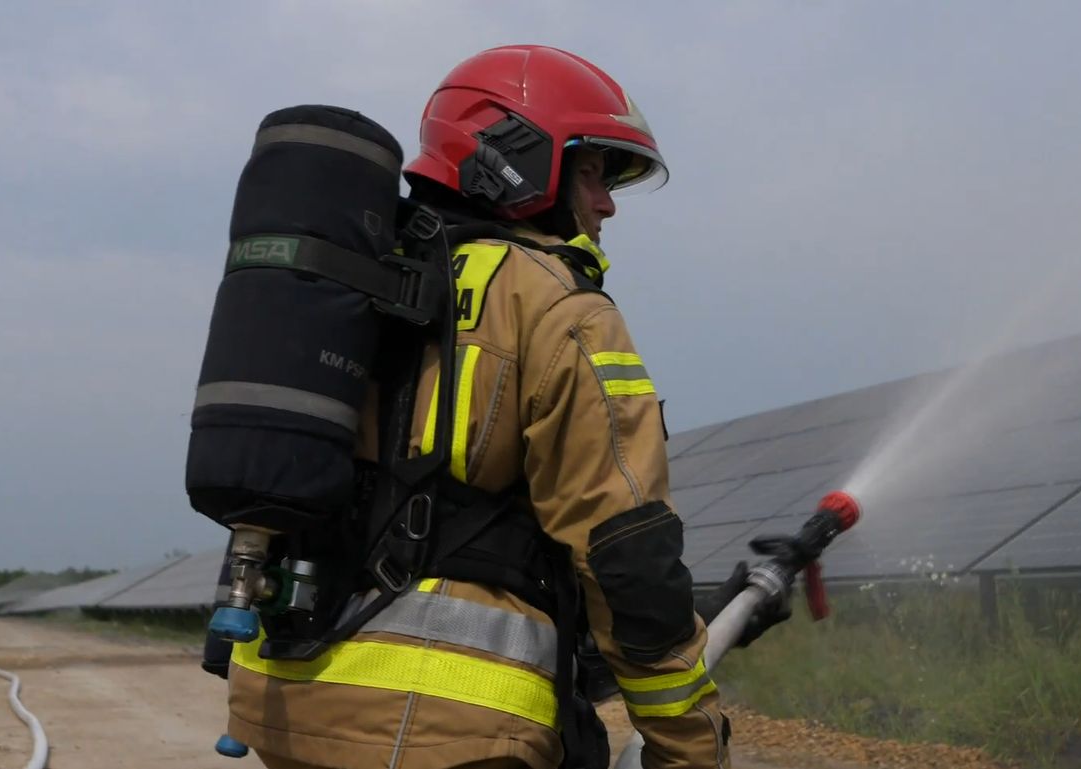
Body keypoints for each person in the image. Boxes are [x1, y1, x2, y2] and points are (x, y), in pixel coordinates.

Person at [224, 44, 785, 769]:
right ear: (520, 159)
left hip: (284, 707)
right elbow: (627, 560)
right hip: (452, 728)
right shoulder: (559, 308)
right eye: (592, 171)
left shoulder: (348, 285)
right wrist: (690, 751)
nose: (607, 201)